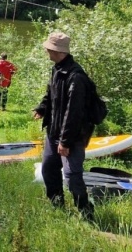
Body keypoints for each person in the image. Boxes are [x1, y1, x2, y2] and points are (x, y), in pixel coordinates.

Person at [33, 32, 95, 221]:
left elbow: (73, 113)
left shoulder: (76, 77)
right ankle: (57, 205)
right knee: (49, 170)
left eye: (48, 48)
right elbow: (50, 93)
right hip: (54, 132)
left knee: (72, 177)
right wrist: (43, 108)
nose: (46, 50)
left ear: (57, 51)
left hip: (72, 137)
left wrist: (65, 142)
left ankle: (86, 214)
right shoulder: (57, 69)